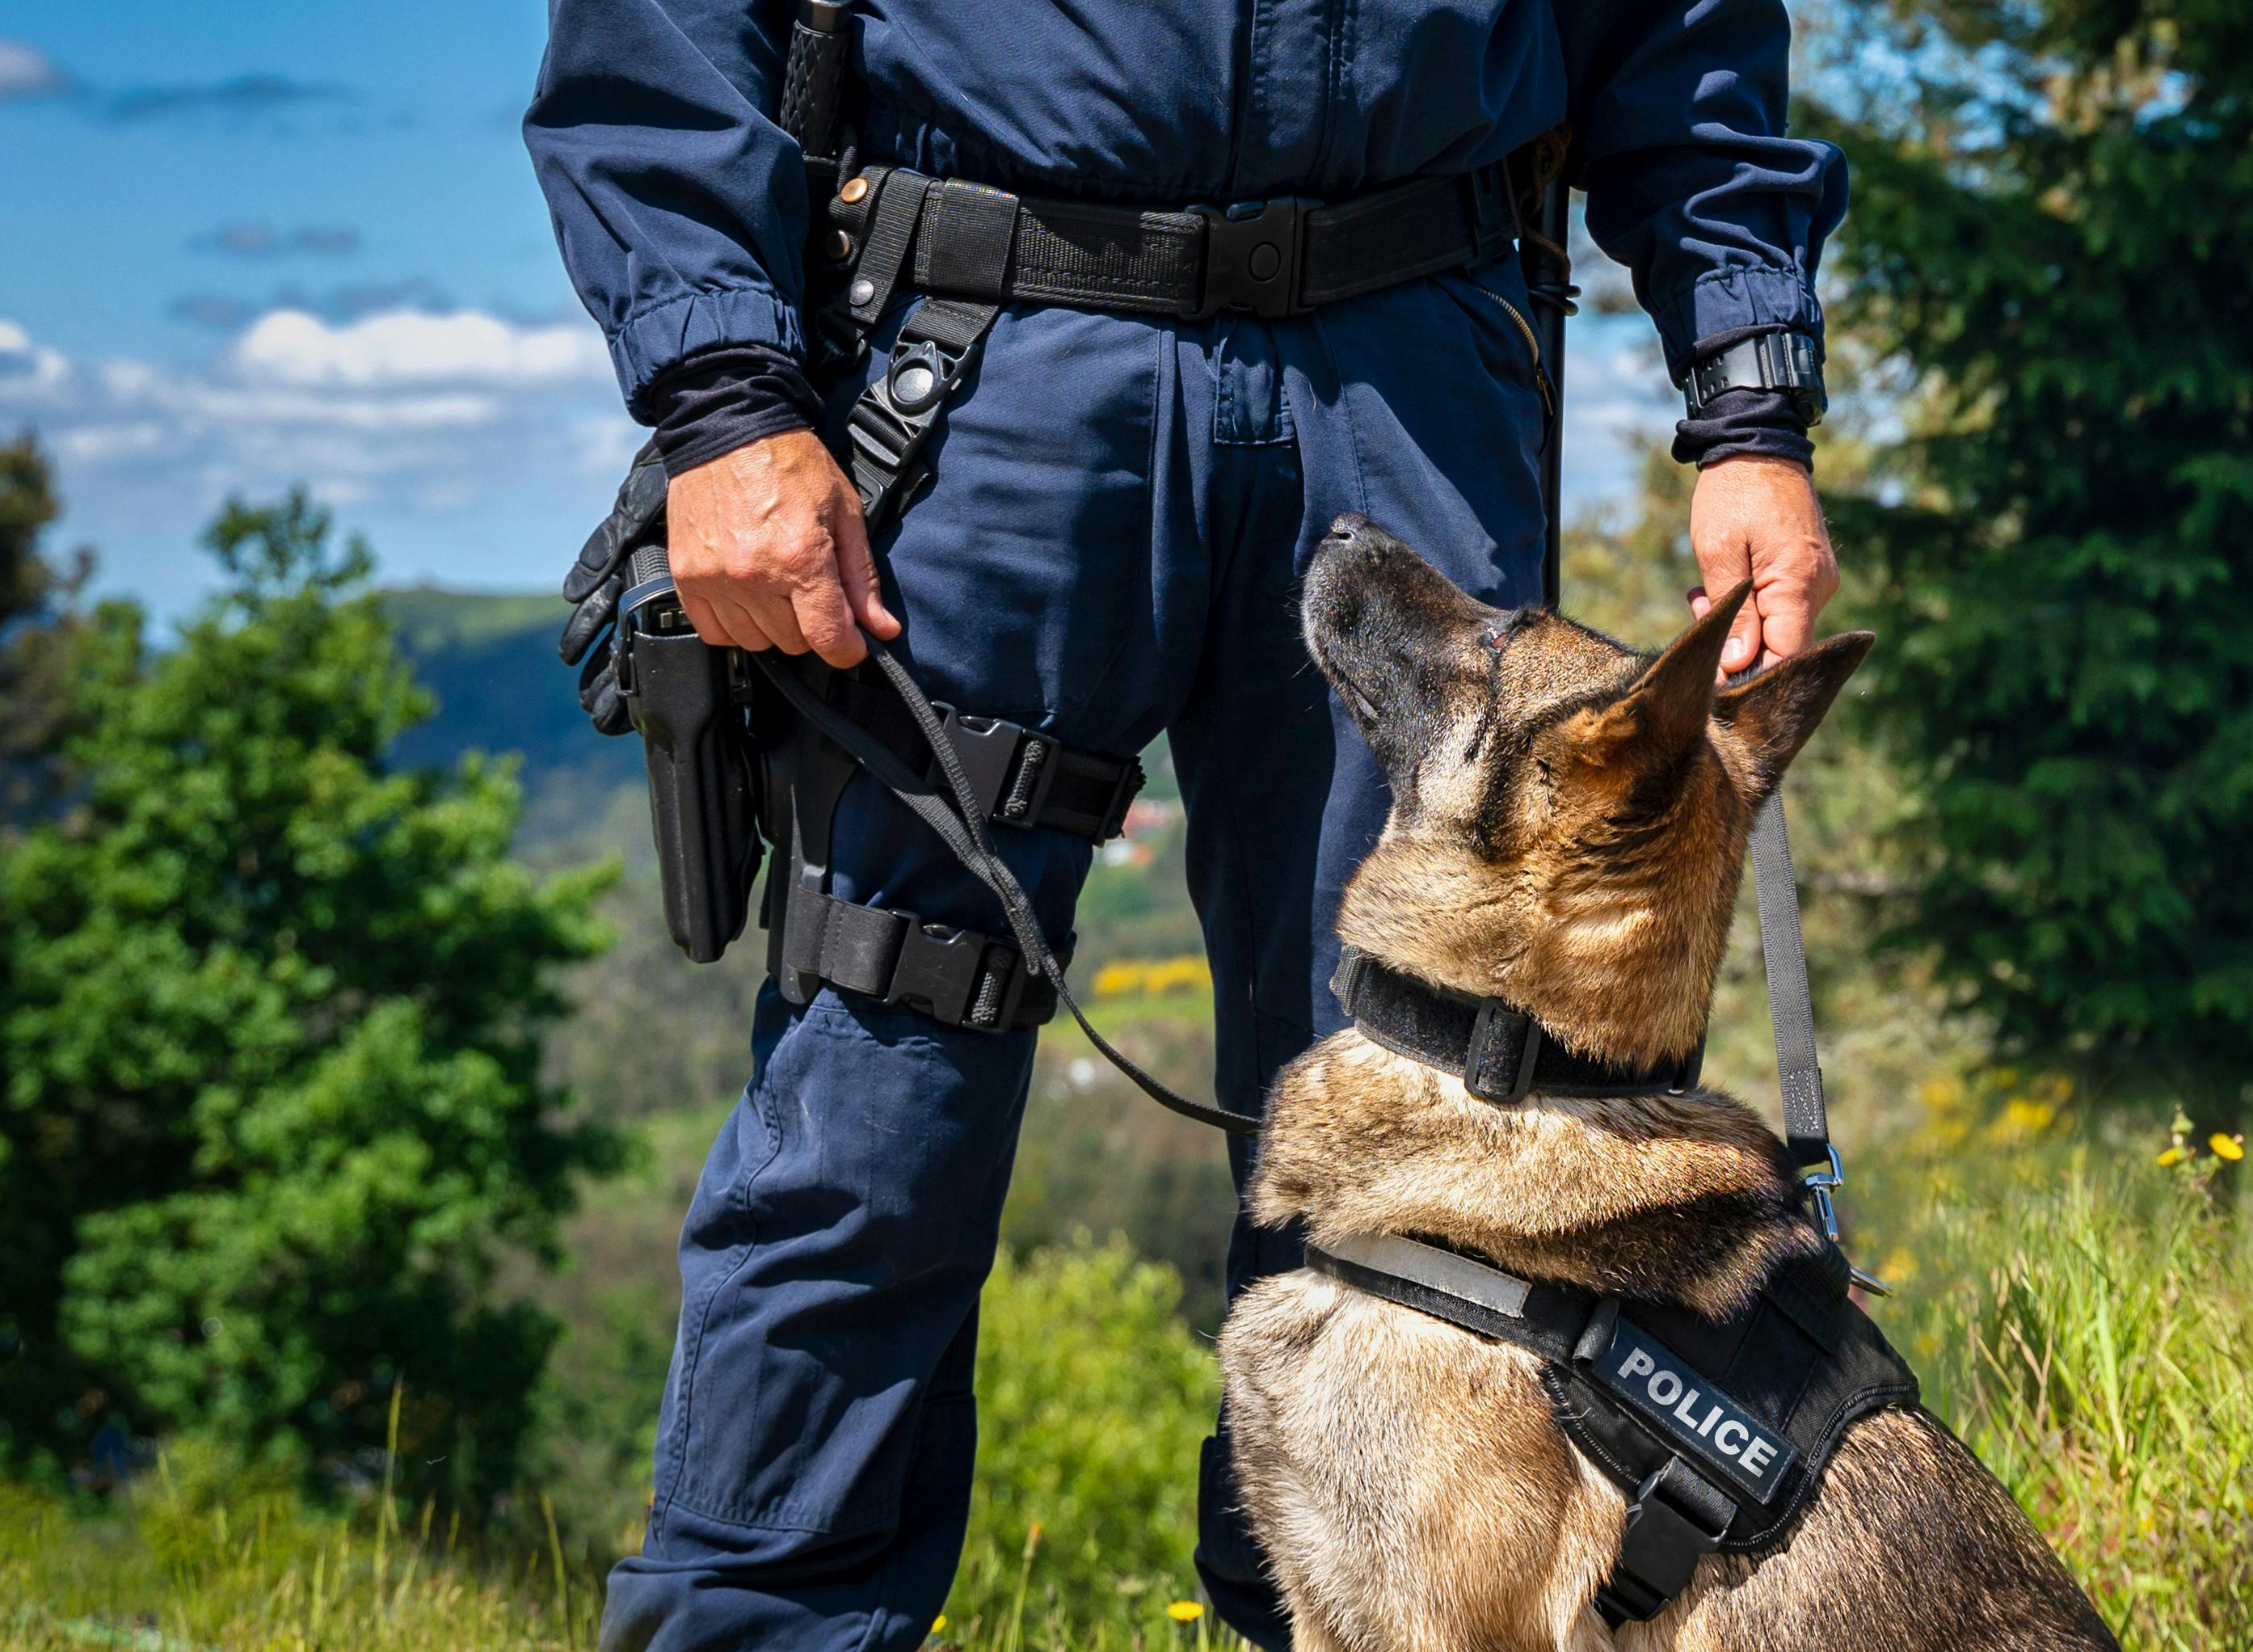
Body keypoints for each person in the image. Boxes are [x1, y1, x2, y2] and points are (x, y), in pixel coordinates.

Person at [526, 0, 1844, 1643]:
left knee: (1431, 1142)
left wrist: (1746, 395)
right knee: (873, 1114)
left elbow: (1682, 20)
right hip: (988, 360)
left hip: (1410, 363)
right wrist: (722, 399)